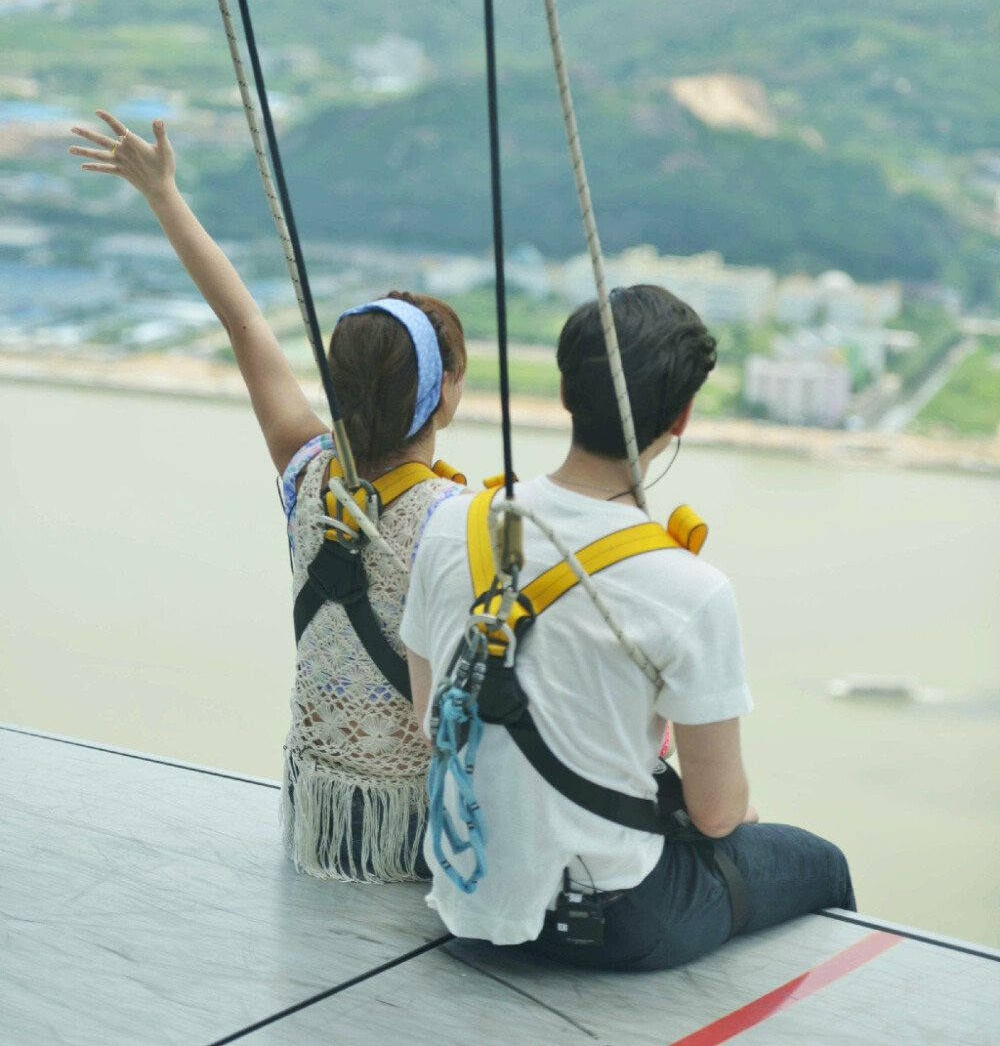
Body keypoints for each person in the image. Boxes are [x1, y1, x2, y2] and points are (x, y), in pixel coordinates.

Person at [402, 284, 855, 968]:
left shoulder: (454, 524)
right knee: (820, 862)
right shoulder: (688, 587)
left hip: (467, 890)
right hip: (612, 917)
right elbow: (716, 813)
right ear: (682, 415)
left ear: (565, 391)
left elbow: (430, 718)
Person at [68, 111, 467, 881]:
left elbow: (244, 320)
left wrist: (163, 195)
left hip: (314, 818)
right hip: (409, 833)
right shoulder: (456, 521)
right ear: (441, 395)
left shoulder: (309, 470)